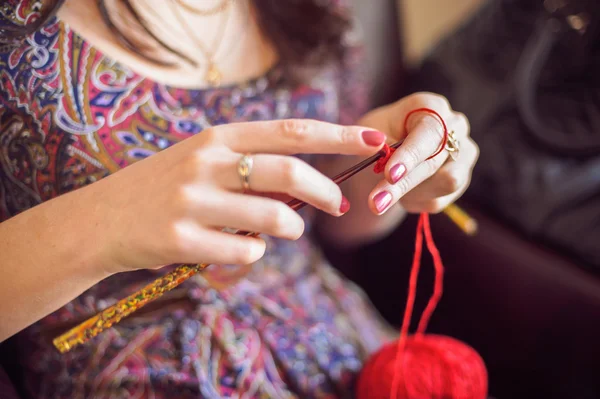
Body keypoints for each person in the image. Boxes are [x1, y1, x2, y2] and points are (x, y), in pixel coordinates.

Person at [0, 0, 478, 397]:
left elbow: (335, 216)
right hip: (136, 368)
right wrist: (106, 222)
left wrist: (392, 173)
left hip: (334, 340)